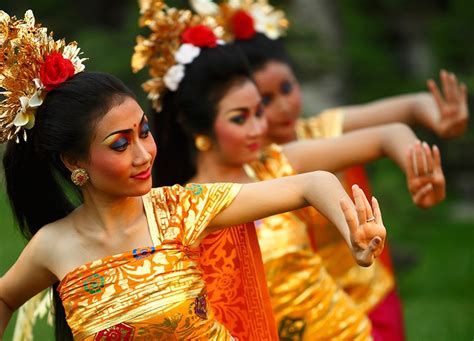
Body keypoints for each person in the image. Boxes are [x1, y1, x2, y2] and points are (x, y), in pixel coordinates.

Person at [0, 9, 386, 340]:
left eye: (144, 132)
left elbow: (310, 183)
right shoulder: (53, 246)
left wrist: (352, 230)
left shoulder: (179, 209)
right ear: (73, 162)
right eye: (120, 144)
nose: (143, 154)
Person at [131, 3, 445, 339]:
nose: (257, 128)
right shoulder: (183, 208)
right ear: (200, 130)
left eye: (257, 113)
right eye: (240, 118)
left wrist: (418, 167)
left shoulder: (274, 164)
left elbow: (385, 136)